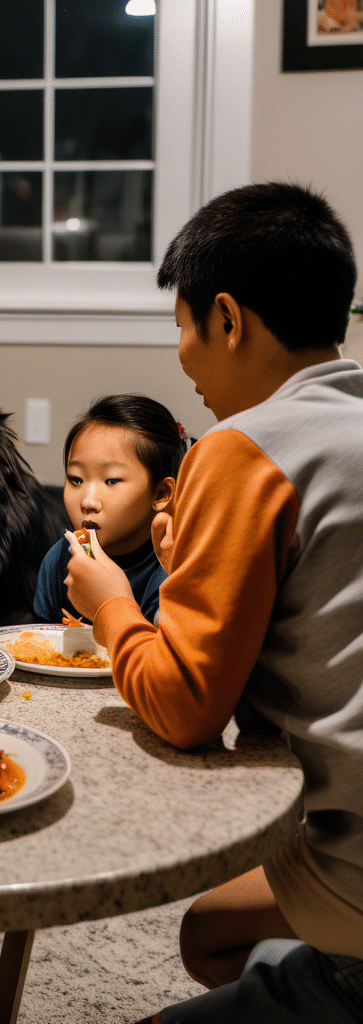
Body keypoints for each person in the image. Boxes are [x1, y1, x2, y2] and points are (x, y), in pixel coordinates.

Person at [62, 181, 363, 1023]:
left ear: (227, 319)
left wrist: (113, 603)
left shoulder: (240, 447)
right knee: (208, 936)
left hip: (356, 865)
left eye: (184, 329)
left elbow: (188, 708)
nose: (184, 358)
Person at [32, 393, 186, 626]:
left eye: (112, 481)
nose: (88, 501)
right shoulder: (59, 560)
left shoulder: (171, 567)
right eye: (76, 479)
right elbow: (38, 646)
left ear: (161, 493)